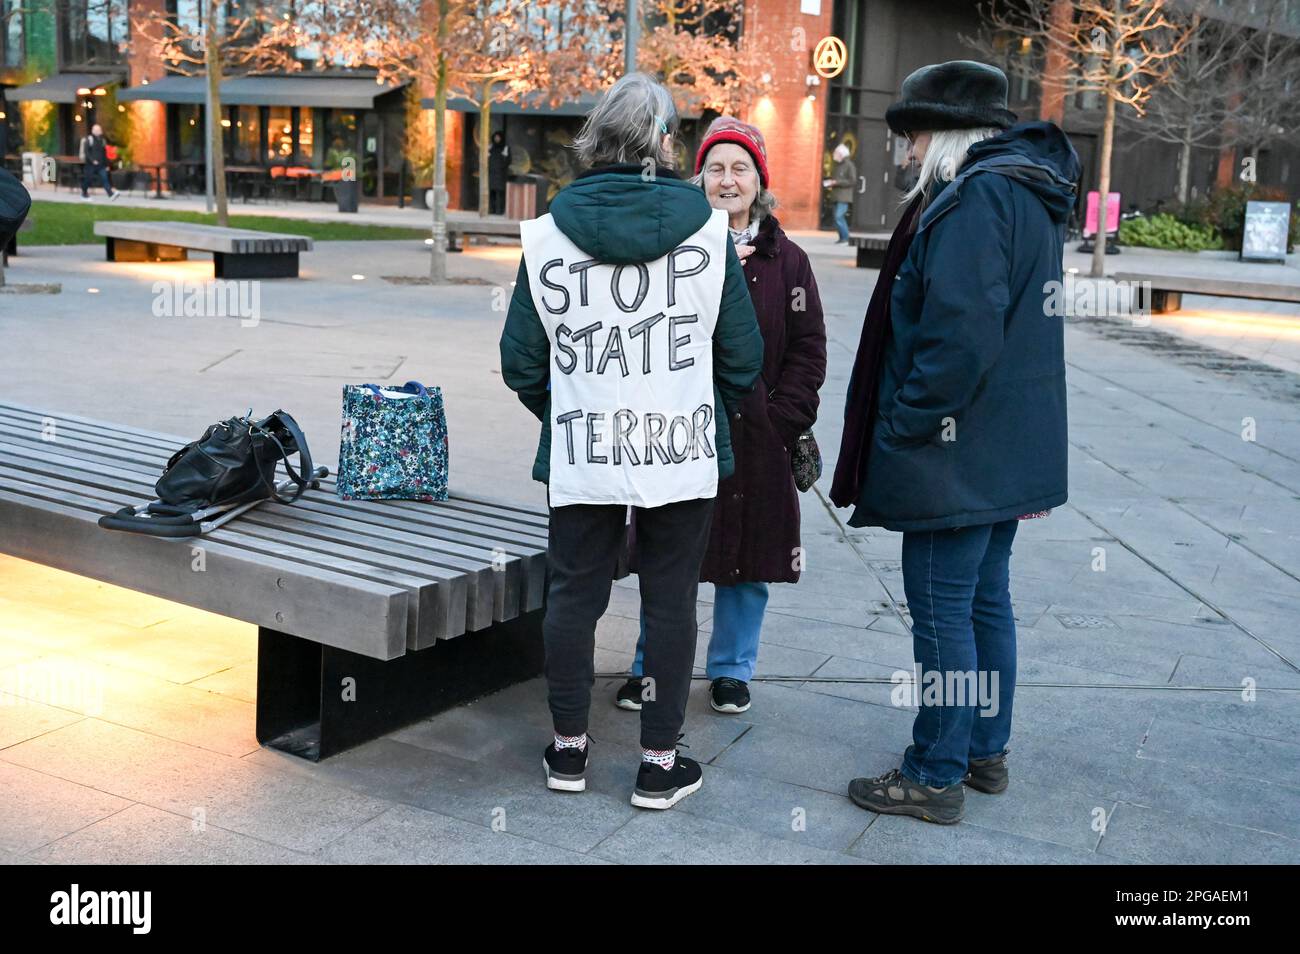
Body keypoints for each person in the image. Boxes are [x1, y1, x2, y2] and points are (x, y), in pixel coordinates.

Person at [499, 73, 763, 810]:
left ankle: (568, 750)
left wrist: (569, 407)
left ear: (595, 140)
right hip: (680, 446)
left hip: (584, 447)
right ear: (665, 143)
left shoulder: (548, 236)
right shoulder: (710, 235)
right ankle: (657, 761)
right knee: (671, 599)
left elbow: (519, 359)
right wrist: (699, 405)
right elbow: (743, 356)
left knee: (573, 593)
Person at [838, 61, 1080, 824]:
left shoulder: (974, 199)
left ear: (941, 135)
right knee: (984, 603)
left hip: (957, 452)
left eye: (909, 137)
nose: (904, 154)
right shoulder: (1023, 190)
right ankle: (982, 749)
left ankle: (934, 771)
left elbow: (959, 337)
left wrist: (909, 421)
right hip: (1001, 449)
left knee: (945, 611)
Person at [614, 116, 826, 716]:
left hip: (759, 433)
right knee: (667, 554)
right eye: (715, 169)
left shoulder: (790, 262)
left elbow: (809, 348)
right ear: (698, 178)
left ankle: (731, 670)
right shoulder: (673, 250)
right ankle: (649, 668)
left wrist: (783, 417)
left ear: (760, 181)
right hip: (680, 430)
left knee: (748, 556)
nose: (726, 181)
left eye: (740, 169)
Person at [824, 142, 855, 243]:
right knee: (837, 217)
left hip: (844, 197)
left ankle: (846, 239)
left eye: (836, 153)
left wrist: (837, 182)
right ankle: (842, 238)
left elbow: (852, 181)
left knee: (839, 217)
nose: (834, 155)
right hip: (836, 196)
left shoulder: (849, 165)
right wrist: (831, 182)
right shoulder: (837, 165)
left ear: (841, 154)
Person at [79, 124, 119, 201]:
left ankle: (111, 194)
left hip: (101, 165)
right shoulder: (89, 139)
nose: (98, 131)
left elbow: (104, 153)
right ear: (92, 131)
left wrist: (107, 164)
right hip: (90, 165)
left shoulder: (102, 140)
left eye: (99, 130)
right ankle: (84, 193)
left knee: (105, 179)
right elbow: (86, 152)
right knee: (88, 179)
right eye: (96, 130)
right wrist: (92, 160)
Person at [488, 131, 510, 215]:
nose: (497, 139)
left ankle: (500, 210)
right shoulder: (490, 147)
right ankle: (492, 210)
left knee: (500, 193)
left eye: (498, 137)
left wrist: (502, 166)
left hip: (501, 175)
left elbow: (508, 161)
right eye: (495, 137)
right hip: (491, 174)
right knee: (492, 193)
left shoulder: (505, 148)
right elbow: (486, 160)